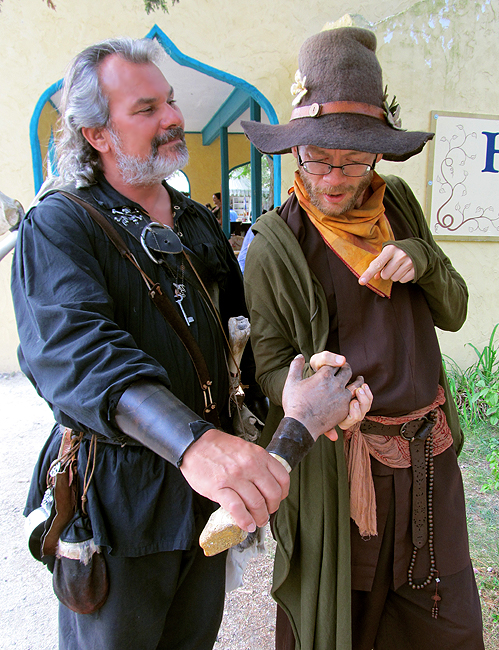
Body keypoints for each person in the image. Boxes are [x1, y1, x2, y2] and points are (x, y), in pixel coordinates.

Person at [12, 37, 369, 650]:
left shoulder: (197, 221)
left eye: (170, 103)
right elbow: (78, 354)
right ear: (97, 134)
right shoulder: (60, 223)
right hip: (117, 505)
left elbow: (242, 340)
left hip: (204, 499)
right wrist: (196, 444)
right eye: (146, 109)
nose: (172, 117)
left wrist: (297, 387)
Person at [241, 27, 484, 650]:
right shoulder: (277, 243)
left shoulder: (397, 204)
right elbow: (265, 368)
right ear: (295, 149)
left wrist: (421, 260)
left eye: (352, 159)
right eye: (316, 156)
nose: (332, 176)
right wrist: (307, 378)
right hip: (344, 478)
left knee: (444, 621)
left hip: (430, 460)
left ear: (377, 155)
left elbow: (453, 311)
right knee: (347, 624)